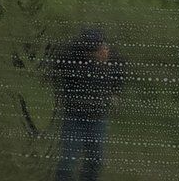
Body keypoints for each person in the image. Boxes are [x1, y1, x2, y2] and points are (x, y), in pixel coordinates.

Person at [46, 28, 124, 180]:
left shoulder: (112, 59)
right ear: (87, 52)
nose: (103, 50)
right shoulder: (72, 62)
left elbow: (119, 75)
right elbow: (56, 71)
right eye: (97, 50)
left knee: (96, 159)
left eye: (103, 46)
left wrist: (115, 93)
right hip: (74, 117)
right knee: (68, 160)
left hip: (98, 117)